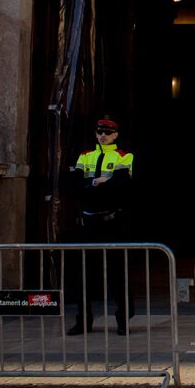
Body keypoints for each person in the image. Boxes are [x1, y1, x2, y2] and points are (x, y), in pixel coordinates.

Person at [67, 115, 136, 335]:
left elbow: (122, 185)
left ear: (115, 135)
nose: (102, 136)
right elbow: (74, 184)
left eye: (107, 133)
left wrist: (96, 186)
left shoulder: (124, 156)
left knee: (117, 273)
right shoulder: (85, 156)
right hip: (89, 222)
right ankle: (83, 321)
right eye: (99, 132)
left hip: (111, 221)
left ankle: (123, 319)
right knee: (84, 274)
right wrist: (96, 182)